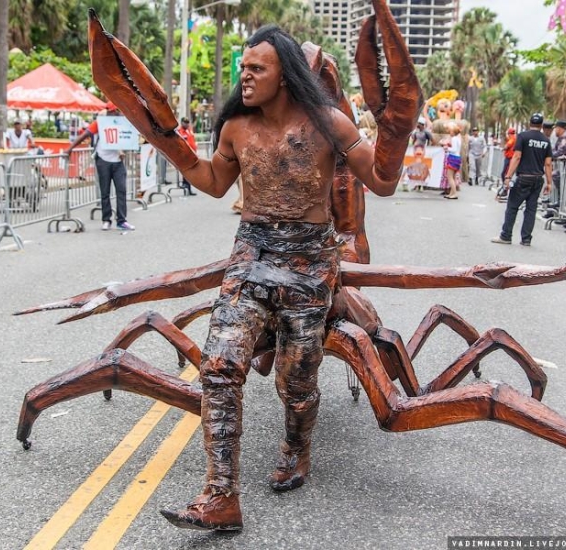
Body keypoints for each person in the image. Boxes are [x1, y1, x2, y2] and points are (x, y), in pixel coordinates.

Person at [158, 25, 405, 531]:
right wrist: (169, 144)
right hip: (249, 258)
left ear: (285, 76)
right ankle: (220, 497)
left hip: (309, 264)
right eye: (243, 69)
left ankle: (297, 445)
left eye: (257, 69)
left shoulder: (329, 123)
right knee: (220, 367)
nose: (244, 76)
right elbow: (213, 182)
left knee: (296, 383)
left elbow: (381, 181)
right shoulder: (236, 128)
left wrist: (396, 122)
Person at [66, 102, 135, 231]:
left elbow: (128, 136)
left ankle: (121, 220)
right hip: (103, 160)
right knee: (105, 192)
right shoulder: (100, 123)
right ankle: (106, 219)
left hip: (118, 162)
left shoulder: (122, 122)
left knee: (122, 190)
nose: (112, 113)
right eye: (109, 111)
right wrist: (70, 148)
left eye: (114, 111)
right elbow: (84, 135)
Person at [491, 113, 552, 247]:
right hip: (537, 179)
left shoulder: (523, 136)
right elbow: (548, 163)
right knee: (531, 209)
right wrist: (549, 182)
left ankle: (506, 235)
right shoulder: (546, 140)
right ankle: (526, 239)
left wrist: (508, 176)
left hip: (523, 177)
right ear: (541, 125)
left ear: (530, 123)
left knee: (512, 207)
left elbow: (517, 156)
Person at [176, 117, 198, 196]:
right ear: (181, 123)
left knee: (190, 171)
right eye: (185, 122)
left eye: (187, 122)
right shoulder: (179, 132)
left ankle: (187, 186)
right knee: (187, 171)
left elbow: (192, 141)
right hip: (184, 155)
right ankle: (187, 186)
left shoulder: (189, 130)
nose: (187, 124)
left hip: (192, 154)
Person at [442, 123, 462, 199]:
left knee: (450, 177)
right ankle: (451, 193)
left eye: (450, 131)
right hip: (457, 158)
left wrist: (447, 148)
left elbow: (453, 149)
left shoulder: (454, 139)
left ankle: (454, 193)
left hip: (453, 157)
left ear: (453, 131)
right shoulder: (458, 138)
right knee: (452, 177)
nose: (449, 132)